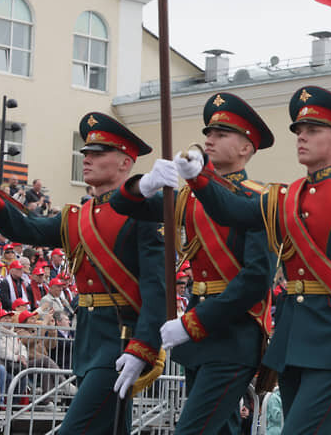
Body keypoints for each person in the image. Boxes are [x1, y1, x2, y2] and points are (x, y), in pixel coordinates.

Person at [179, 85, 331, 434]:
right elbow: (233, 211)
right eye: (299, 131)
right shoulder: (285, 197)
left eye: (313, 131)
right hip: (292, 339)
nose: (301, 137)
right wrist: (197, 177)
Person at [0, 111, 165, 434]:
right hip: (87, 338)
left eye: (98, 155)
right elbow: (26, 228)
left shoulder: (143, 214)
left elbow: (157, 287)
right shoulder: (76, 216)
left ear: (125, 163)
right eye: (86, 153)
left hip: (120, 338)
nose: (86, 160)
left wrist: (144, 346)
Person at [111, 91, 276, 434]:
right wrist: (146, 184)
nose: (208, 140)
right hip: (199, 338)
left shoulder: (259, 200)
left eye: (221, 134)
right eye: (208, 134)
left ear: (246, 147)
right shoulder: (186, 196)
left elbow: (256, 278)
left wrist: (192, 322)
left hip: (233, 335)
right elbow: (123, 206)